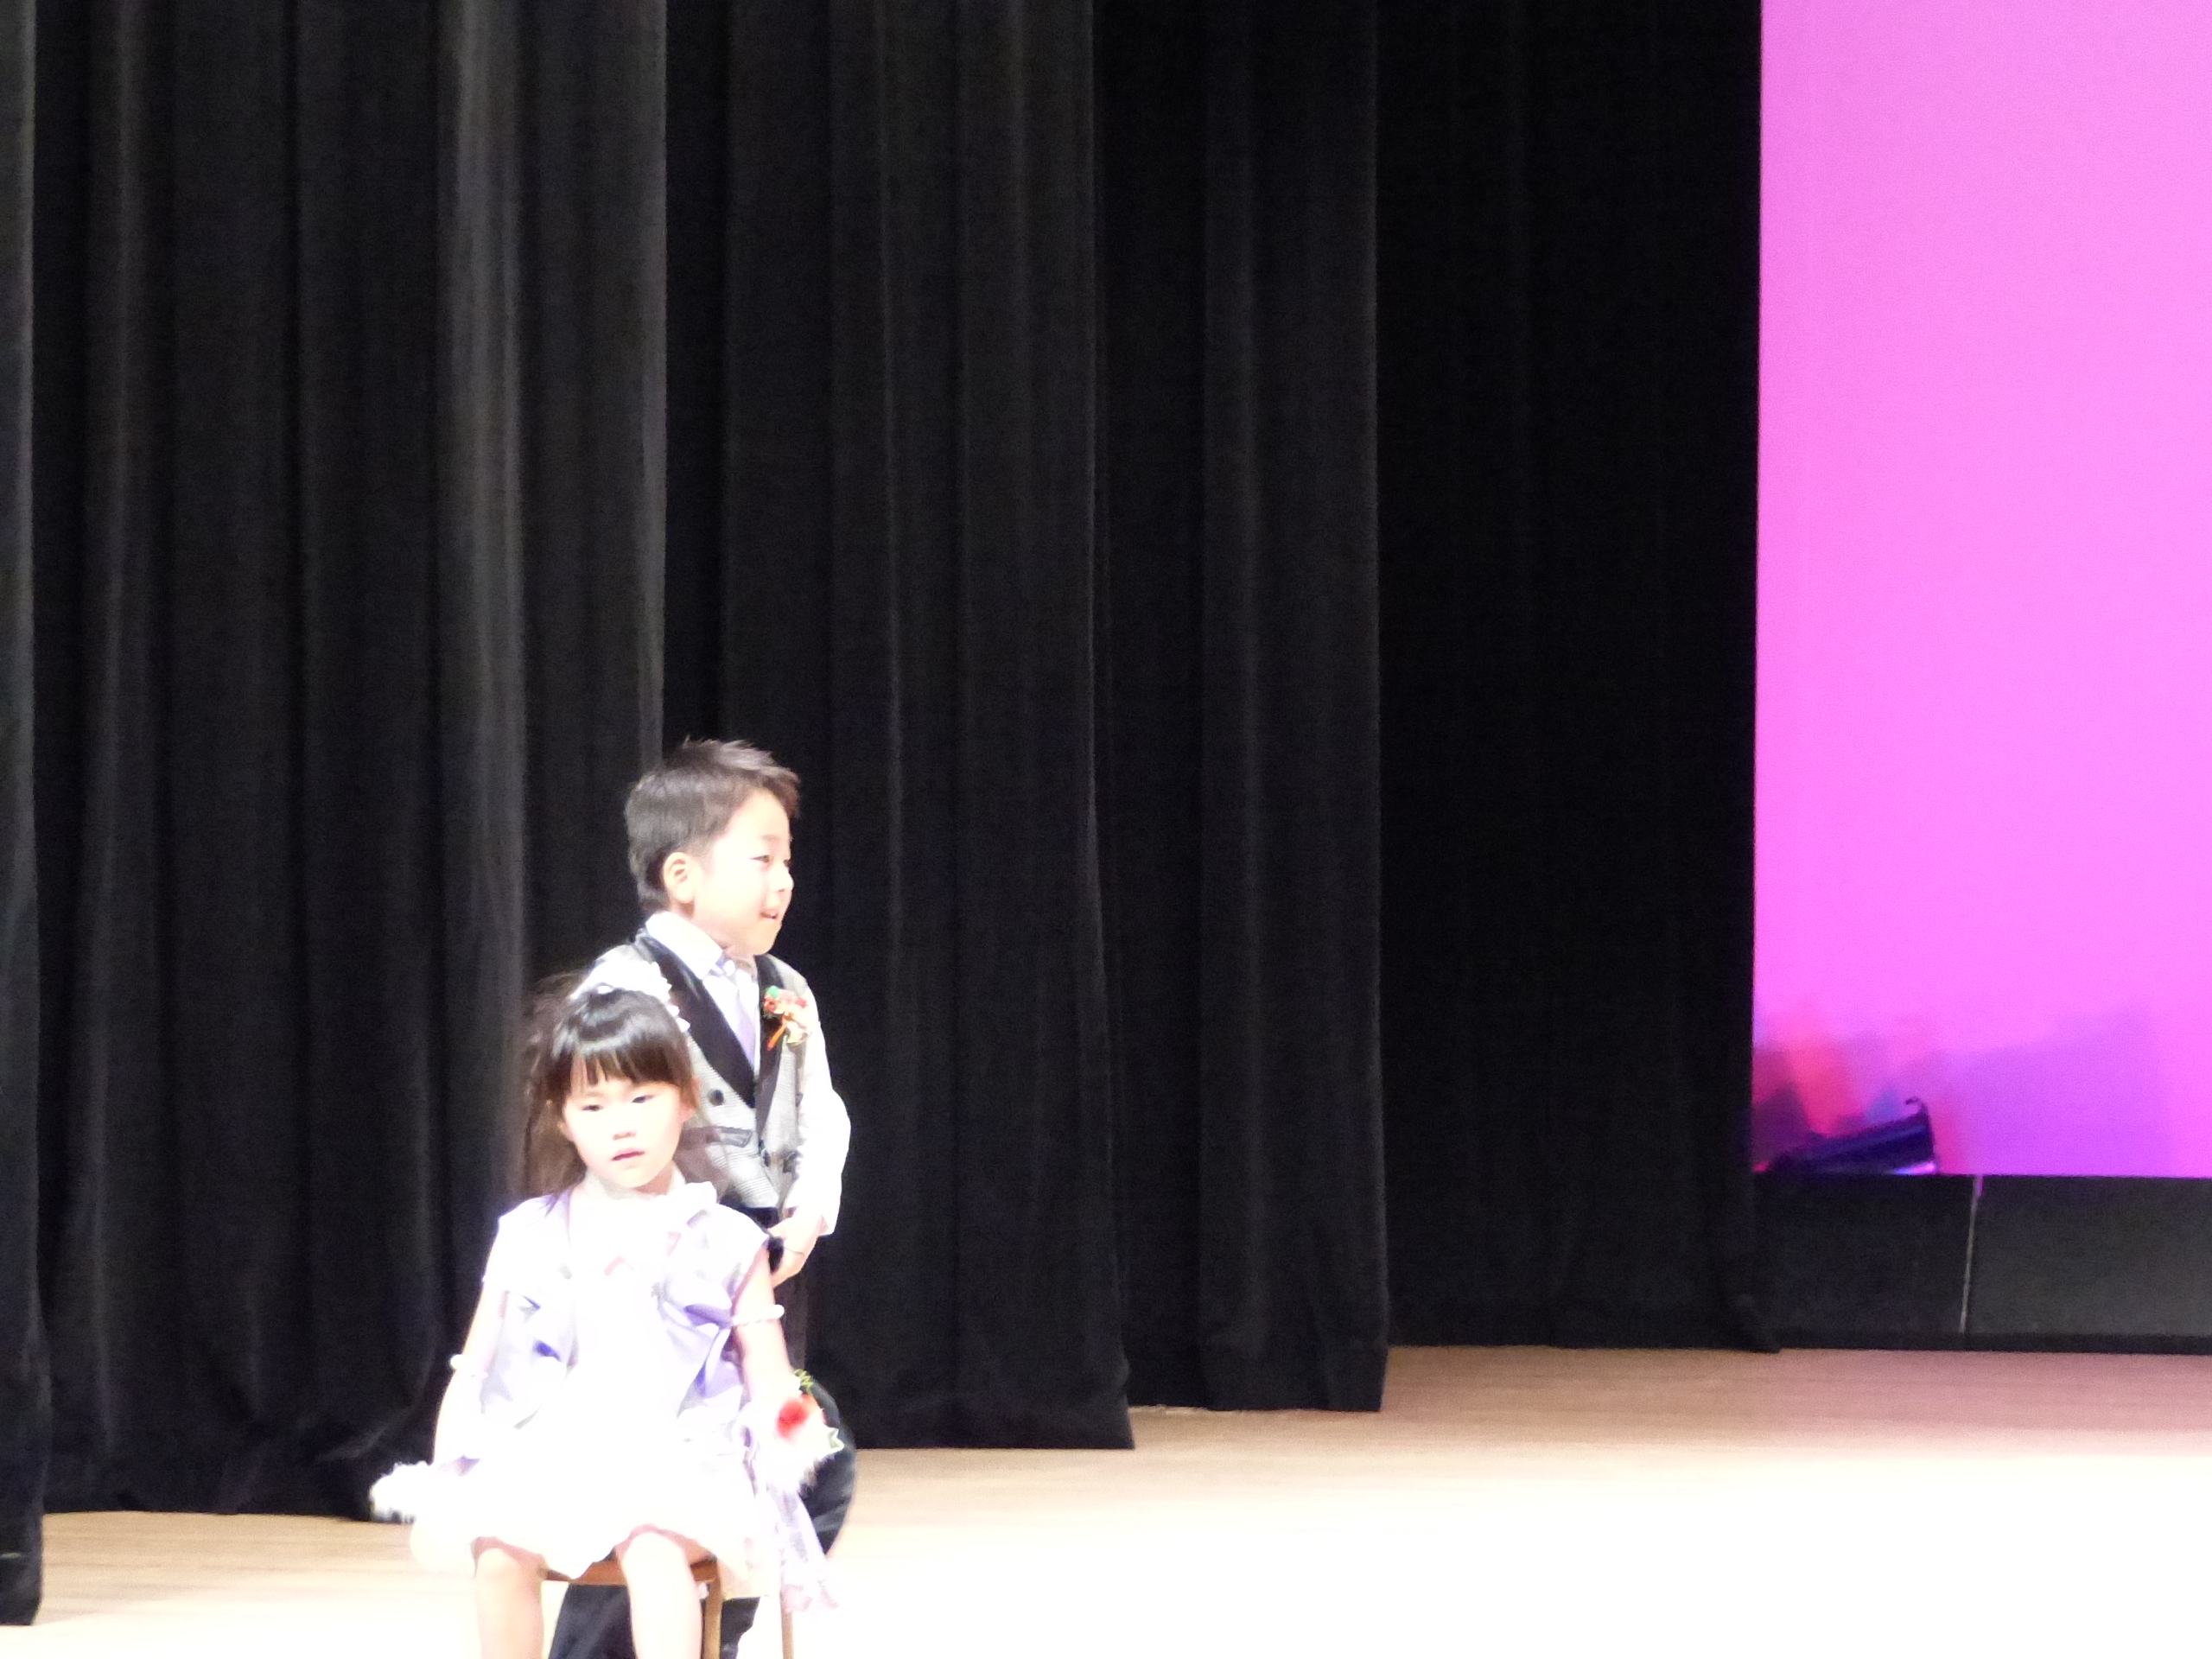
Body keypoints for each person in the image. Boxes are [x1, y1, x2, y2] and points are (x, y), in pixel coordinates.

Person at [401, 987, 836, 1659]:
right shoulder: (530, 1233)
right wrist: (453, 1463)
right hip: (558, 1450)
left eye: (641, 1098)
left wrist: (787, 1436)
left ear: (685, 1098)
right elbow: (474, 1367)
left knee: (653, 1542)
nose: (621, 1126)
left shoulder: (725, 1238)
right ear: (563, 1119)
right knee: (500, 1549)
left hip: (686, 1453)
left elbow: (766, 1365)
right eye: (593, 1106)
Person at [551, 740, 856, 1659]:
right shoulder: (628, 986)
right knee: (660, 1495)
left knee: (809, 1462)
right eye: (761, 858)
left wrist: (810, 1206)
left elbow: (822, 1112)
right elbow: (614, 1138)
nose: (783, 880)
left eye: (788, 860)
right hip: (664, 1290)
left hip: (768, 1276)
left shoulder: (785, 990)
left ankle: (706, 1636)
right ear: (682, 875)